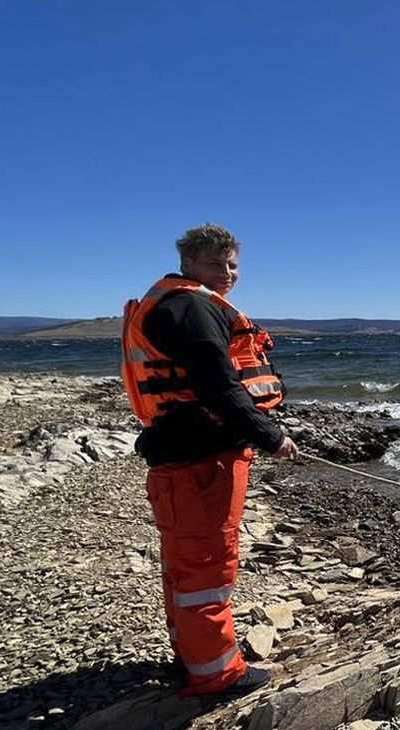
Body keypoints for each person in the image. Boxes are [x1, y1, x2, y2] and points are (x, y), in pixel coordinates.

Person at [121, 223, 299, 697]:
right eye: (214, 264)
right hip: (201, 460)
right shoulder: (192, 307)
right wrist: (269, 436)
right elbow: (218, 385)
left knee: (185, 565)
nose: (227, 273)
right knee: (205, 567)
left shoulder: (178, 302)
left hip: (183, 453)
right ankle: (217, 674)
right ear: (189, 264)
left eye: (233, 264)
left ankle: (193, 657)